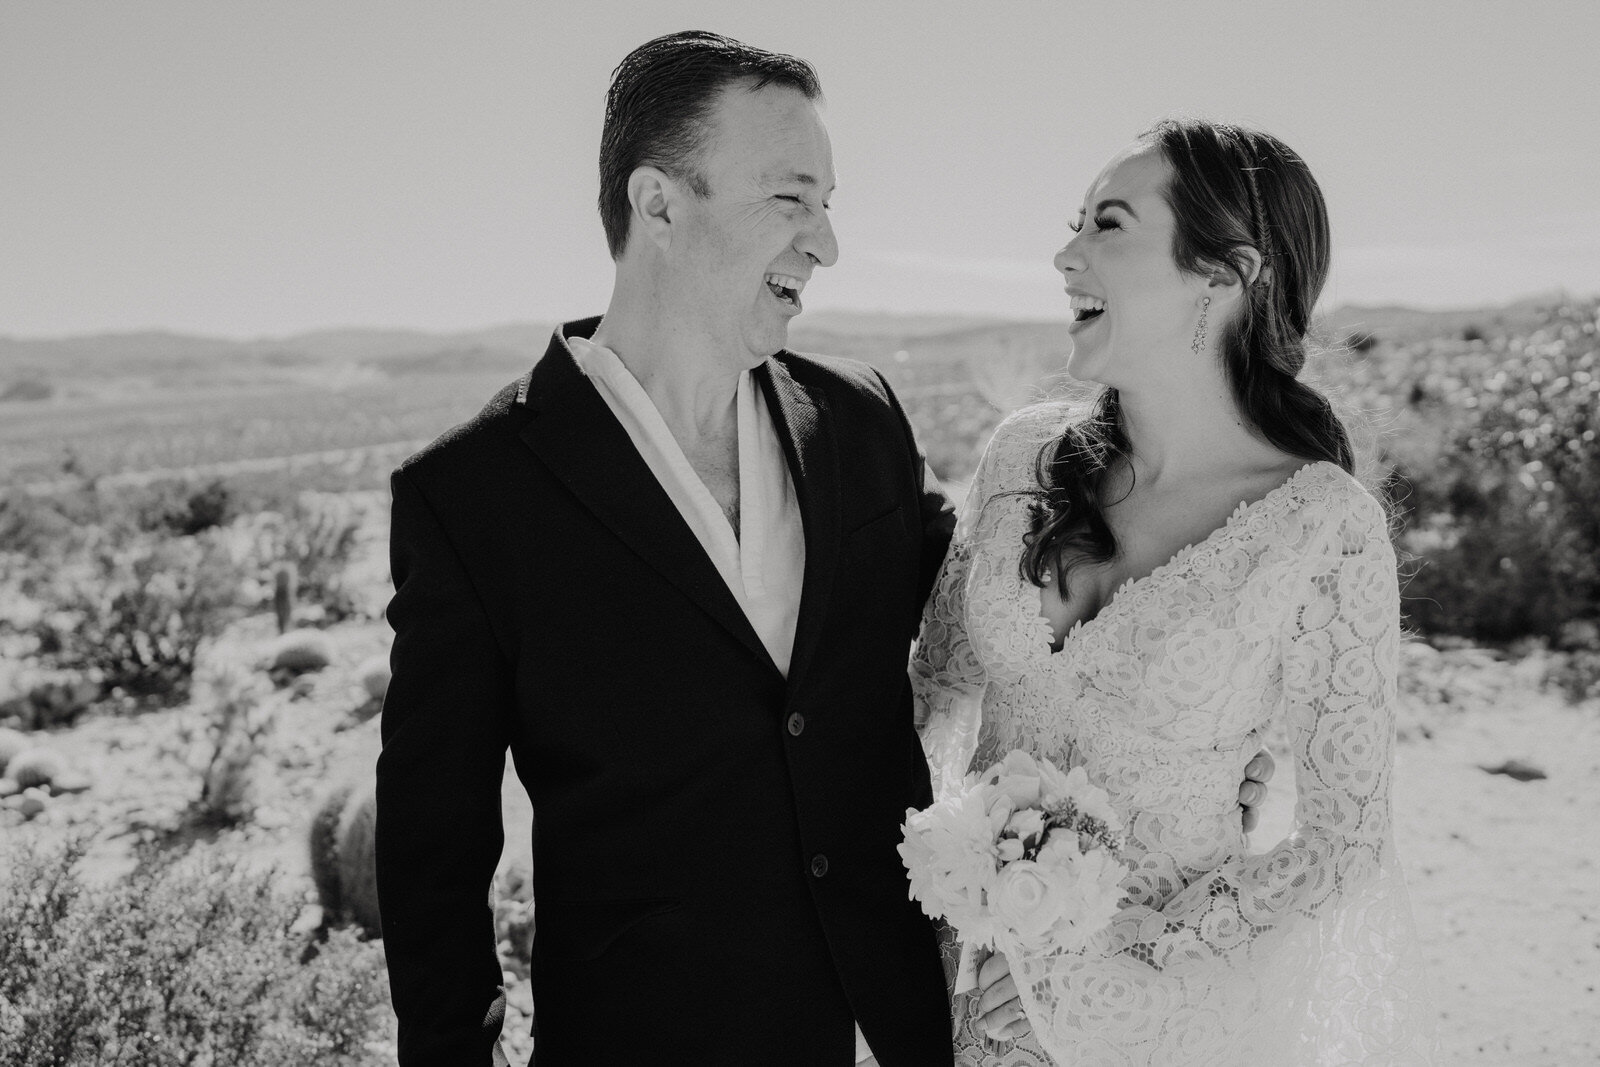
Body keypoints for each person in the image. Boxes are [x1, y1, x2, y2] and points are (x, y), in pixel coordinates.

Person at [376, 31, 1273, 1065]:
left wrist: (1204, 748)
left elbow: (1002, 624)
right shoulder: (471, 495)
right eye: (789, 200)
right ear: (659, 203)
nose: (825, 245)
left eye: (829, 205)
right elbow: (433, 857)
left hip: (903, 1020)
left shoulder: (859, 419)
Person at [913, 118, 1435, 1064]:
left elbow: (1342, 844)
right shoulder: (1024, 454)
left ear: (1223, 276)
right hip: (945, 986)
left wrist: (1105, 973)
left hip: (1150, 1016)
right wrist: (931, 885)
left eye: (1107, 225)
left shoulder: (1320, 527)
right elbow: (933, 695)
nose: (1065, 253)